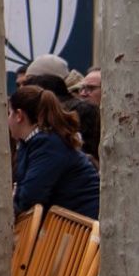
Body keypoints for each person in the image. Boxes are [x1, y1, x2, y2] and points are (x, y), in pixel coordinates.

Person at [9, 86, 100, 218]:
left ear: (19, 115)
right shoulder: (32, 143)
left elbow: (30, 197)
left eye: (9, 113)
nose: (7, 120)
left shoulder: (48, 145)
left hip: (78, 228)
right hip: (66, 225)